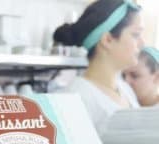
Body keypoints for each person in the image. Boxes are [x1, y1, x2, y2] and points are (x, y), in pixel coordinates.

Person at [53, 0, 145, 134]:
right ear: (107, 40)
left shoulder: (125, 90)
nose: (142, 43)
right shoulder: (76, 98)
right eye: (135, 35)